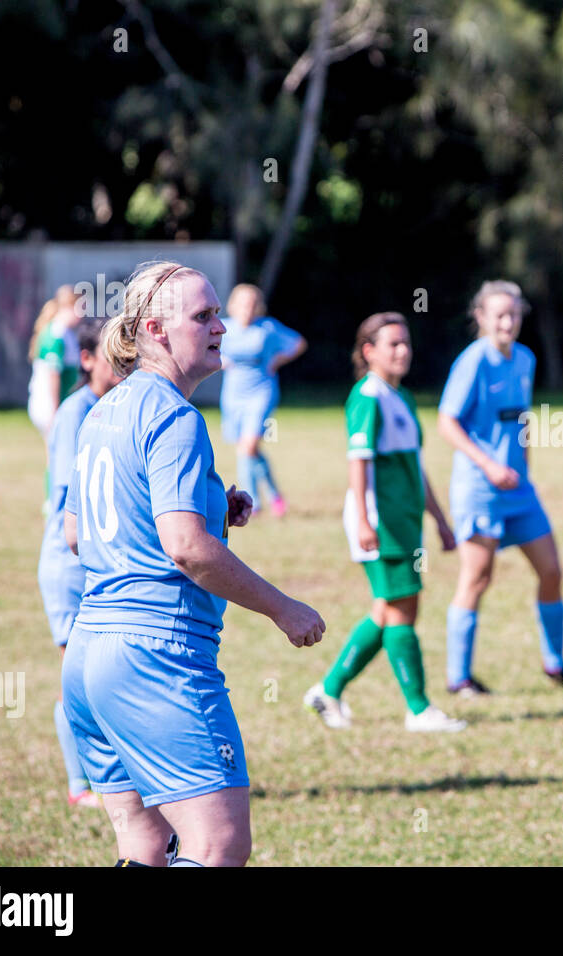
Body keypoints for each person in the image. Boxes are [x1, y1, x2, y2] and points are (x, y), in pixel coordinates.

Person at [61, 261, 325, 867]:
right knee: (217, 844)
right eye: (204, 317)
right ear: (154, 329)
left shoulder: (103, 411)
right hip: (155, 654)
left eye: (218, 315)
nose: (220, 328)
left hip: (89, 655)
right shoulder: (176, 417)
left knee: (147, 845)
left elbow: (79, 533)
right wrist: (284, 609)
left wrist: (210, 504)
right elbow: (184, 547)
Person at [304, 312, 466, 733]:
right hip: (381, 523)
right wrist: (363, 520)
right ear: (368, 352)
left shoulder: (403, 398)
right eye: (393, 344)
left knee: (387, 609)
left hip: (406, 522)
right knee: (402, 610)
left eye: (406, 343)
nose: (403, 351)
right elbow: (358, 461)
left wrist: (440, 520)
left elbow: (415, 465)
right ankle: (419, 709)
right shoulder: (367, 397)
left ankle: (328, 689)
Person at [437, 279, 563, 696]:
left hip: (520, 491)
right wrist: (488, 465)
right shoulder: (473, 362)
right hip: (480, 489)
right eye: (499, 314)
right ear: (481, 317)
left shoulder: (524, 359)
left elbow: (521, 421)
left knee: (552, 570)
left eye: (514, 314)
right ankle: (458, 678)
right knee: (477, 577)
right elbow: (446, 422)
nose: (508, 322)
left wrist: (526, 468)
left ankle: (555, 665)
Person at [37, 315, 123, 809]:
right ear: (87, 359)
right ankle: (80, 785)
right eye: (115, 354)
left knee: (101, 676)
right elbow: (72, 496)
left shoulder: (110, 407)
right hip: (71, 567)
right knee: (79, 677)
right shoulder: (77, 412)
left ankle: (113, 779)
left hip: (95, 563)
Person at [218, 283, 306, 516]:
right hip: (233, 394)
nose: (248, 308)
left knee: (248, 447)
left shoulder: (267, 328)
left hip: (261, 392)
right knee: (248, 449)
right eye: (243, 304)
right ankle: (276, 495)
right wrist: (219, 360)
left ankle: (253, 503)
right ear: (233, 305)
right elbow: (206, 348)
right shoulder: (224, 328)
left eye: (253, 304)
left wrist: (277, 359)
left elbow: (298, 343)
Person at [27, 285, 84, 439]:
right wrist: (54, 412)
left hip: (60, 404)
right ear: (69, 306)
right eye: (81, 307)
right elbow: (53, 375)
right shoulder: (56, 334)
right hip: (50, 404)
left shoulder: (67, 333)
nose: (83, 313)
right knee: (57, 457)